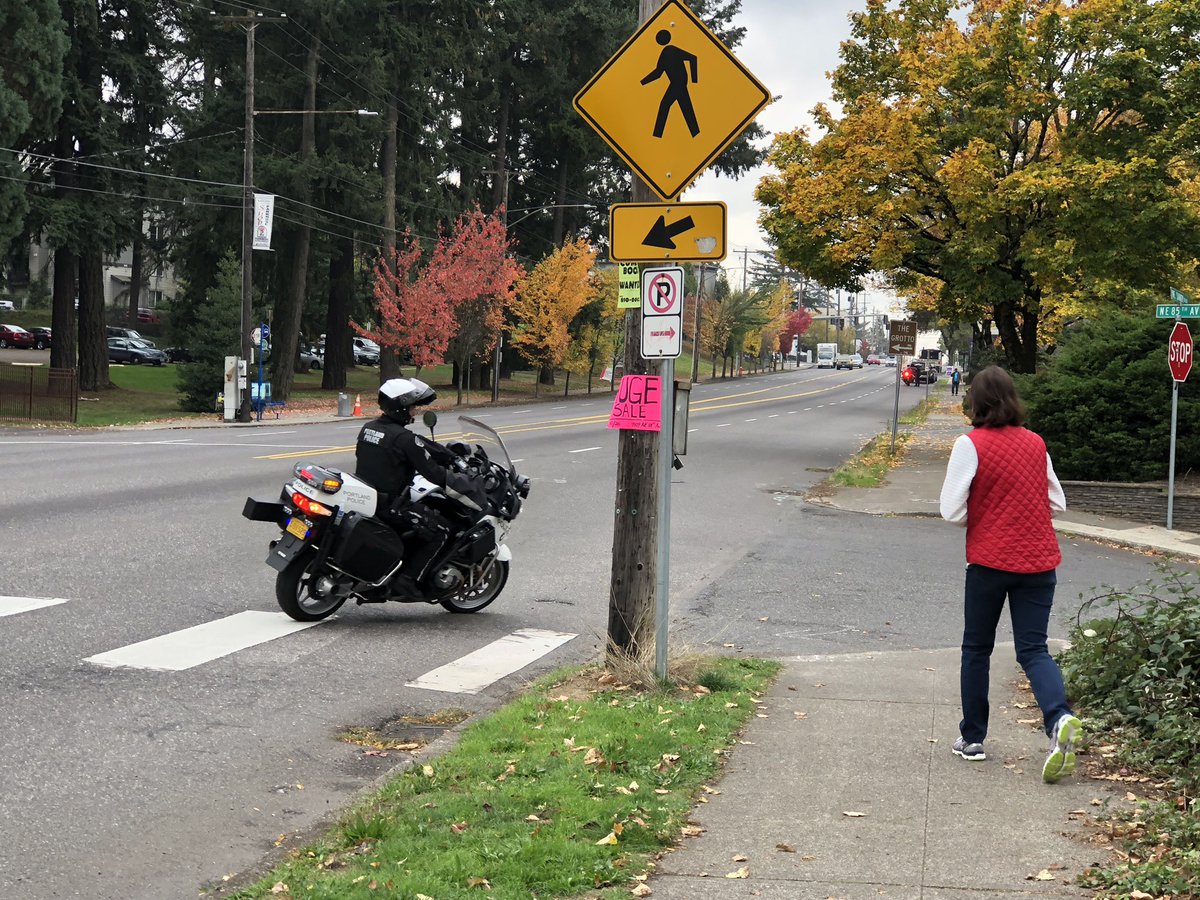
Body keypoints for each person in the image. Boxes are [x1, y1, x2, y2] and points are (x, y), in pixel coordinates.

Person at [938, 366, 1082, 784]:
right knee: (1034, 649)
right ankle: (1059, 719)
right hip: (1039, 562)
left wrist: (984, 516)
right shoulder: (1036, 443)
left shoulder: (970, 444)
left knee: (977, 649)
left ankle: (973, 739)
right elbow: (1057, 502)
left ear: (976, 402)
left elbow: (951, 511)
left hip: (989, 562)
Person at [355, 378, 475, 583]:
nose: (415, 411)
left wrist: (445, 454)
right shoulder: (403, 439)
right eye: (412, 407)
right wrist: (465, 484)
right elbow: (434, 474)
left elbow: (418, 443)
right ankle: (411, 581)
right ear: (400, 408)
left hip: (367, 498)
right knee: (442, 530)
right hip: (389, 507)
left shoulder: (369, 428)